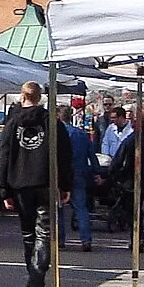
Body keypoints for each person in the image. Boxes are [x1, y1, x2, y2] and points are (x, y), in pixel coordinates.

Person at [0, 82, 74, 287]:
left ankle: (33, 274)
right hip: (45, 183)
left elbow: (4, 155)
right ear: (40, 98)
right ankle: (37, 276)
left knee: (28, 233)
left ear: (22, 96)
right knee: (45, 232)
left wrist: (3, 189)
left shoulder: (12, 123)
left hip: (20, 184)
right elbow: (65, 156)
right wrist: (66, 185)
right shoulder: (53, 123)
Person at [58, 102, 94, 252]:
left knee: (57, 208)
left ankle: (60, 240)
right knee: (81, 208)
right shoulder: (81, 134)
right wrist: (96, 172)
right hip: (79, 172)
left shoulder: (57, 133)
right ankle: (86, 239)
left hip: (61, 173)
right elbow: (91, 154)